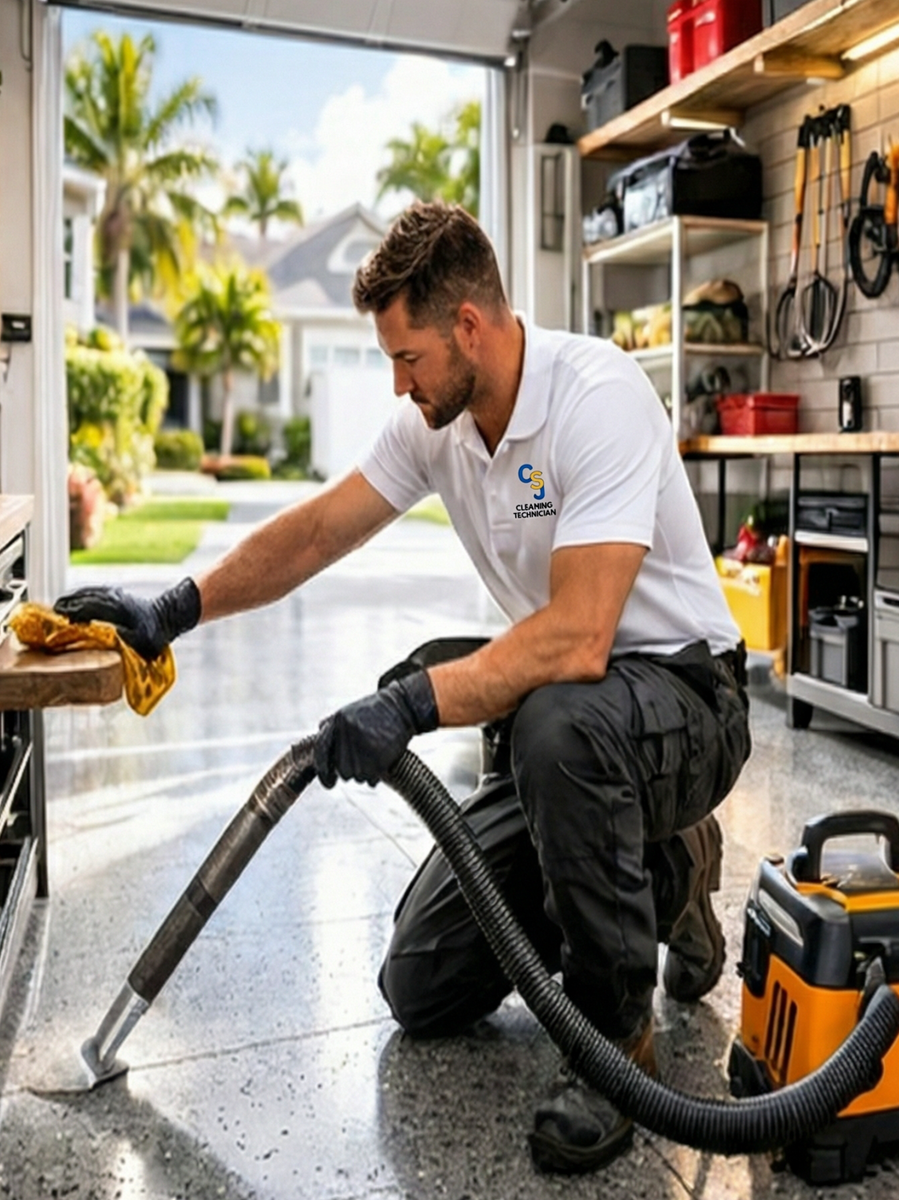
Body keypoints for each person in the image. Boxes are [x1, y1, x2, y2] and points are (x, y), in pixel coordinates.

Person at [55, 201, 751, 1174]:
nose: (397, 382)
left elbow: (583, 633)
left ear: (467, 326)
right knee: (419, 984)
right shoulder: (442, 421)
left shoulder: (597, 396)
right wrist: (175, 606)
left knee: (552, 722)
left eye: (406, 356)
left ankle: (610, 1045)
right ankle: (652, 869)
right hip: (578, 722)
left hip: (685, 699)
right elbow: (314, 532)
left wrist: (416, 704)